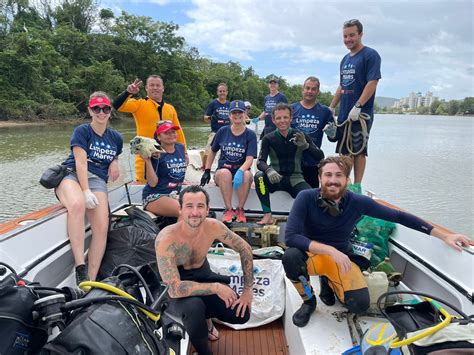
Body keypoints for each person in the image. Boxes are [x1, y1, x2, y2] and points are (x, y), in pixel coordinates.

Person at [283, 156, 474, 328]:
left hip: (341, 259)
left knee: (359, 305)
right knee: (290, 256)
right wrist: (331, 251)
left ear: (347, 180)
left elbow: (399, 217)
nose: (333, 180)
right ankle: (309, 302)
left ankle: (328, 281)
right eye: (328, 175)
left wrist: (444, 235)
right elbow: (291, 237)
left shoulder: (358, 202)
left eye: (339, 175)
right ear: (320, 178)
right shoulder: (305, 197)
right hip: (314, 256)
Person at [155, 185, 253, 355]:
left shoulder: (214, 227)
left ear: (208, 209)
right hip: (177, 285)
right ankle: (203, 351)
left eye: (200, 206)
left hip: (203, 274)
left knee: (241, 314)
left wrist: (248, 289)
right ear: (180, 209)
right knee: (194, 308)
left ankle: (206, 319)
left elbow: (245, 248)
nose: (195, 212)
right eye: (189, 206)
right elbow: (175, 289)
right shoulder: (166, 239)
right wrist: (216, 288)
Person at [56, 92, 123, 285]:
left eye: (105, 109)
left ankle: (90, 281)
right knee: (77, 205)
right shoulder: (82, 131)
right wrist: (85, 192)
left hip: (98, 180)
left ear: (110, 111)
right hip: (73, 174)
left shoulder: (116, 137)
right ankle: (80, 267)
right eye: (96, 108)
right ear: (90, 110)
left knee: (102, 227)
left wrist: (115, 162)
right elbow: (81, 163)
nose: (101, 113)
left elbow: (115, 154)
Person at [329, 19, 381, 189]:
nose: (348, 39)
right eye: (345, 36)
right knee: (344, 152)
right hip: (344, 114)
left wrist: (358, 106)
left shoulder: (370, 55)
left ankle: (357, 187)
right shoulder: (344, 59)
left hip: (361, 114)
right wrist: (331, 107)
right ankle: (346, 184)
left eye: (352, 35)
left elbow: (372, 82)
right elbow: (342, 85)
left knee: (358, 150)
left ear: (360, 34)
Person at [254, 103, 324, 225]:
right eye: (279, 118)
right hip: (275, 178)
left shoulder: (300, 136)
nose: (282, 121)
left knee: (311, 195)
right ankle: (267, 214)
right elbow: (260, 161)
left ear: (291, 118)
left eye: (285, 117)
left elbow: (320, 156)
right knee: (259, 177)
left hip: (295, 179)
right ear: (273, 120)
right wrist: (268, 170)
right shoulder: (268, 138)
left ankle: (304, 221)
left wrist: (306, 146)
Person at [113, 75, 187, 183]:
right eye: (151, 85)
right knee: (146, 188)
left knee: (169, 186)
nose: (155, 88)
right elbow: (117, 106)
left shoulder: (170, 108)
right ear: (146, 88)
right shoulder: (139, 104)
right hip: (146, 159)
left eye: (158, 85)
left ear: (163, 88)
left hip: (169, 160)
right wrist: (128, 93)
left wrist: (184, 153)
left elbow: (178, 132)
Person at [200, 100, 257, 223]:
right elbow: (213, 151)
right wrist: (207, 170)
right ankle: (228, 209)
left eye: (240, 113)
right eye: (234, 113)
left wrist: (241, 171)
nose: (237, 116)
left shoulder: (250, 135)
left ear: (245, 114)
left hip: (241, 172)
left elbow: (250, 159)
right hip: (223, 171)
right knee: (225, 173)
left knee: (247, 174)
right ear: (229, 115)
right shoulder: (222, 131)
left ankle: (240, 209)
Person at [291, 76, 334, 188]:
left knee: (311, 195)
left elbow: (333, 138)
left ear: (318, 91)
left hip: (313, 162)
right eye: (307, 88)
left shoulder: (325, 112)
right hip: (293, 162)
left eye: (313, 89)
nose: (310, 91)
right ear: (302, 89)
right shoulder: (292, 109)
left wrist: (332, 133)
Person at [141, 121, 187, 218]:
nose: (171, 135)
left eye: (173, 131)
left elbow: (184, 166)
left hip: (175, 194)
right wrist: (147, 161)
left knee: (200, 209)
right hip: (155, 196)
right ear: (158, 137)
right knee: (185, 211)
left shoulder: (180, 148)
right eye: (166, 133)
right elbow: (152, 183)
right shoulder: (155, 153)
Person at [202, 83, 231, 169]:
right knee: (208, 151)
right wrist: (210, 117)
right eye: (220, 91)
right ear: (217, 92)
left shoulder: (229, 104)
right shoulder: (213, 104)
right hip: (215, 132)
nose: (222, 93)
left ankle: (222, 167)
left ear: (227, 92)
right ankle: (204, 167)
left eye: (224, 91)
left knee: (226, 152)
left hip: (227, 132)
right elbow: (205, 118)